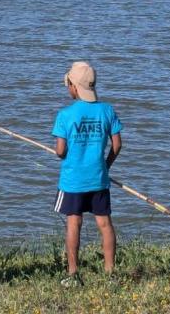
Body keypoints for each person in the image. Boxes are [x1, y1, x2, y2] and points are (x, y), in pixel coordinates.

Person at [51, 61, 122, 286]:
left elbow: (60, 152)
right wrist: (106, 165)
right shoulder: (107, 110)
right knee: (105, 224)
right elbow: (118, 145)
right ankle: (110, 274)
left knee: (74, 224)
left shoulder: (65, 115)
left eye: (68, 84)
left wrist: (60, 152)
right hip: (98, 178)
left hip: (73, 181)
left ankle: (73, 275)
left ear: (73, 86)